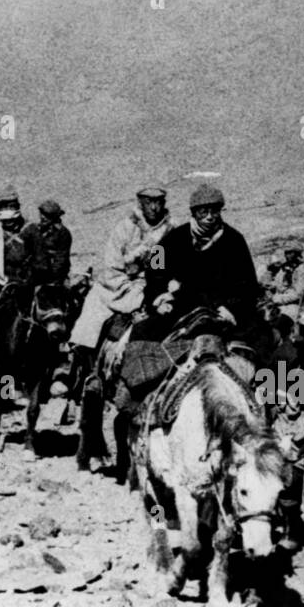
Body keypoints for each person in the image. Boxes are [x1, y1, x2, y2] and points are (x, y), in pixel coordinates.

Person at [69, 186, 180, 471]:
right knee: (93, 319)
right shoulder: (123, 229)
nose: (154, 207)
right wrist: (130, 285)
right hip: (117, 288)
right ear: (140, 203)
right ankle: (86, 371)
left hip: (154, 288)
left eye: (158, 202)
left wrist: (164, 286)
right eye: (149, 202)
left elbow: (171, 266)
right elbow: (110, 267)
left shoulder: (172, 231)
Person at [138, 183, 261, 345]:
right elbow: (154, 268)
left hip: (224, 309)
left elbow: (248, 284)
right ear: (194, 213)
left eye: (214, 211)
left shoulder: (235, 240)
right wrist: (159, 297)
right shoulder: (173, 238)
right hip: (182, 306)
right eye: (203, 211)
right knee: (141, 337)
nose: (210, 217)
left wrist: (231, 308)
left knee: (260, 340)